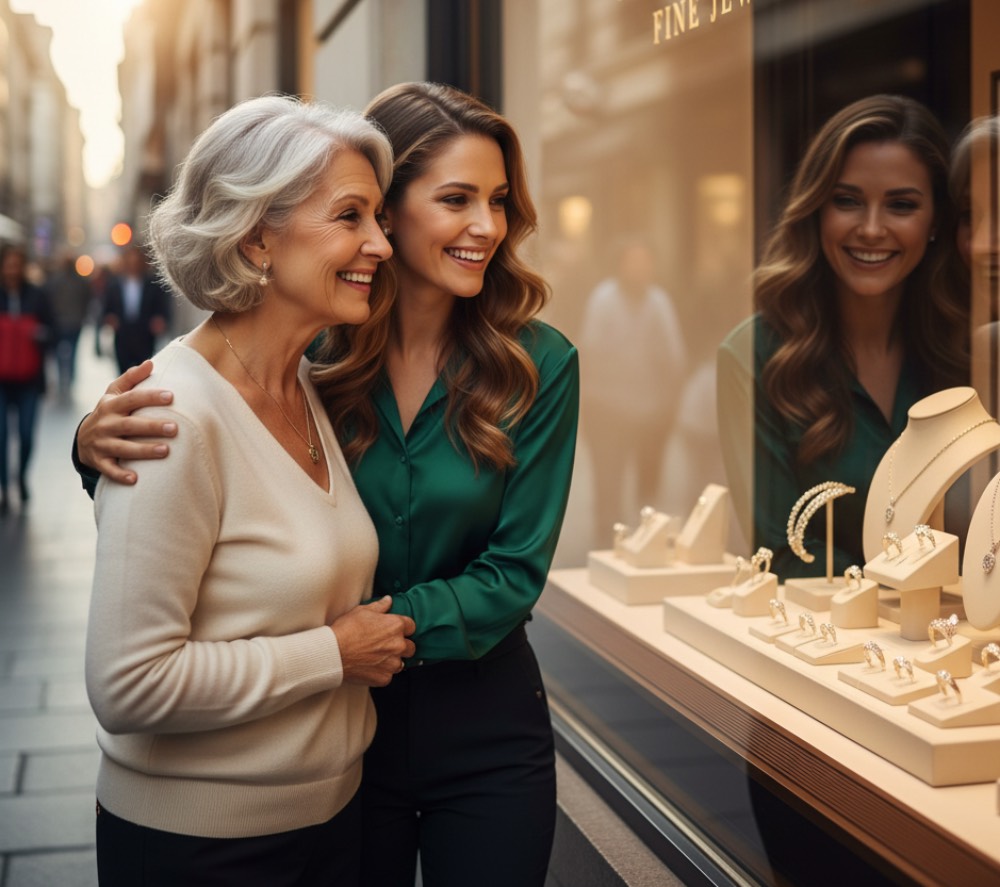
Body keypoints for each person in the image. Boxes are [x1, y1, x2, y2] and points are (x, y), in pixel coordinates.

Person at [74, 81, 579, 887]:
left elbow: (514, 571)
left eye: (499, 201)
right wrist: (94, 444)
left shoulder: (534, 365)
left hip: (470, 724)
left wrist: (361, 638)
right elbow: (192, 483)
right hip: (337, 753)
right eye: (454, 198)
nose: (487, 225)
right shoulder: (318, 361)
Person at [82, 95, 415, 886]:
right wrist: (332, 653)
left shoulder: (301, 385)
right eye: (350, 216)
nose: (379, 243)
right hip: (205, 849)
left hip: (329, 823)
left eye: (378, 218)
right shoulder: (172, 412)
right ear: (258, 235)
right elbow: (128, 683)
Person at [717, 94, 968, 577]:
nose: (871, 228)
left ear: (935, 220)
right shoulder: (754, 355)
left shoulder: (965, 347)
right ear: (816, 210)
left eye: (901, 205)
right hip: (837, 641)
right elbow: (783, 552)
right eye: (847, 201)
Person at [579, 236, 686, 536]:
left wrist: (667, 403)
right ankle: (606, 543)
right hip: (607, 409)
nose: (639, 269)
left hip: (648, 412)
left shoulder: (659, 301)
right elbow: (591, 352)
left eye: (645, 262)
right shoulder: (603, 299)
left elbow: (674, 357)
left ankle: (643, 543)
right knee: (608, 487)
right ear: (620, 266)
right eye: (633, 262)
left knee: (648, 489)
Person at [0, 243, 54, 512]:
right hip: (1, 381)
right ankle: (2, 487)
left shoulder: (37, 296)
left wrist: (40, 334)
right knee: (0, 436)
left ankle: (20, 476)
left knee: (25, 435)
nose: (12, 269)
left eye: (17, 264)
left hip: (29, 380)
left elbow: (52, 330)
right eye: (8, 264)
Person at [101, 244, 172, 373]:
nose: (133, 264)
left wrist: (160, 320)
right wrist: (109, 319)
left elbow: (162, 306)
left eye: (136, 261)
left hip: (145, 334)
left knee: (144, 372)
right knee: (123, 372)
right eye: (130, 261)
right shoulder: (115, 284)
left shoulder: (152, 283)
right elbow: (107, 308)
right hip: (123, 334)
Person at [44, 251, 93, 394]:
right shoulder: (80, 281)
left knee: (61, 352)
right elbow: (87, 300)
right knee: (72, 352)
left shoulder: (55, 281)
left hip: (62, 322)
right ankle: (70, 378)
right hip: (74, 322)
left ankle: (64, 378)